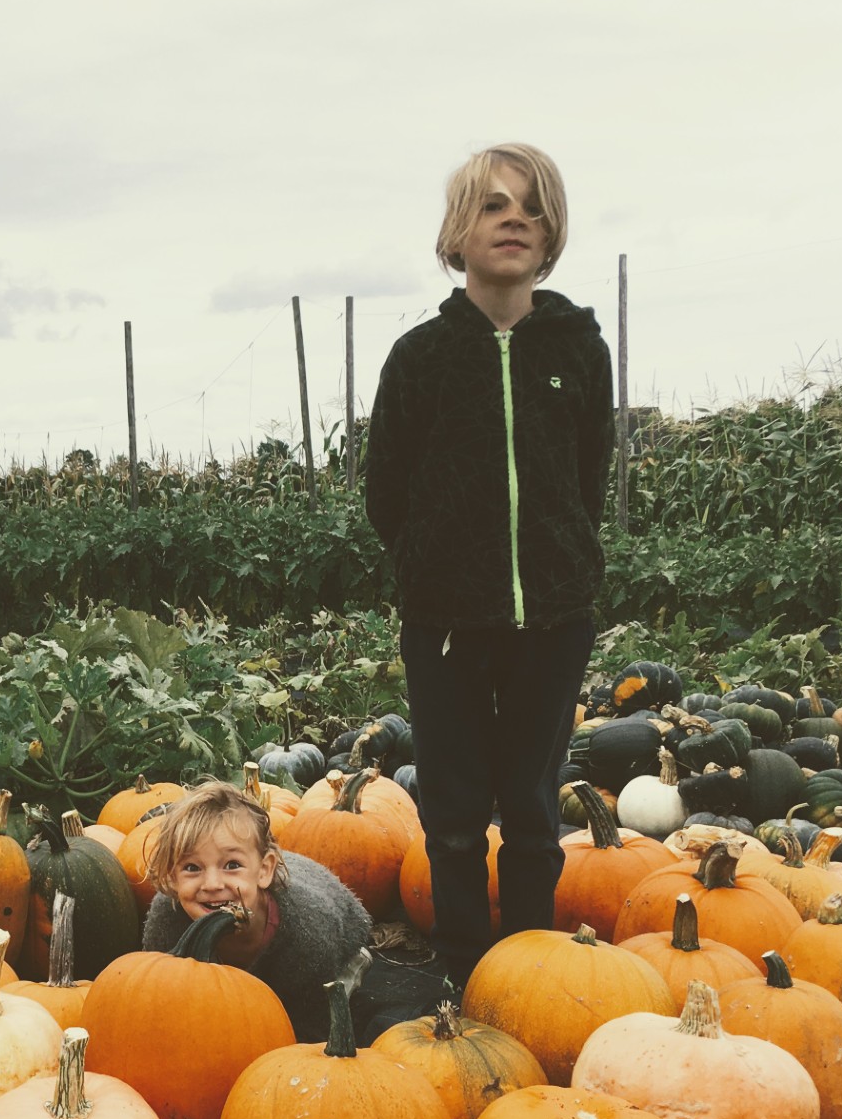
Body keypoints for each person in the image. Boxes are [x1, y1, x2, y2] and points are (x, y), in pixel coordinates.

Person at [363, 142, 615, 999]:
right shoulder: (422, 357)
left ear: (552, 235)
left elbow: (588, 474)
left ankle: (531, 967)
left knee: (535, 805)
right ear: (458, 233)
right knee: (455, 807)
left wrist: (564, 556)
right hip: (446, 620)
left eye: (533, 208)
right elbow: (387, 489)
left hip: (554, 616)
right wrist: (431, 566)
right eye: (494, 205)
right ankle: (464, 968)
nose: (516, 220)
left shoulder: (577, 348)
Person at [140, 780, 371, 1040]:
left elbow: (308, 1033)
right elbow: (160, 995)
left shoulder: (307, 935)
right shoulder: (166, 917)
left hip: (333, 934)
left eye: (232, 865)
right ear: (171, 877)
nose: (212, 884)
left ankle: (352, 967)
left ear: (264, 871)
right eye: (192, 868)